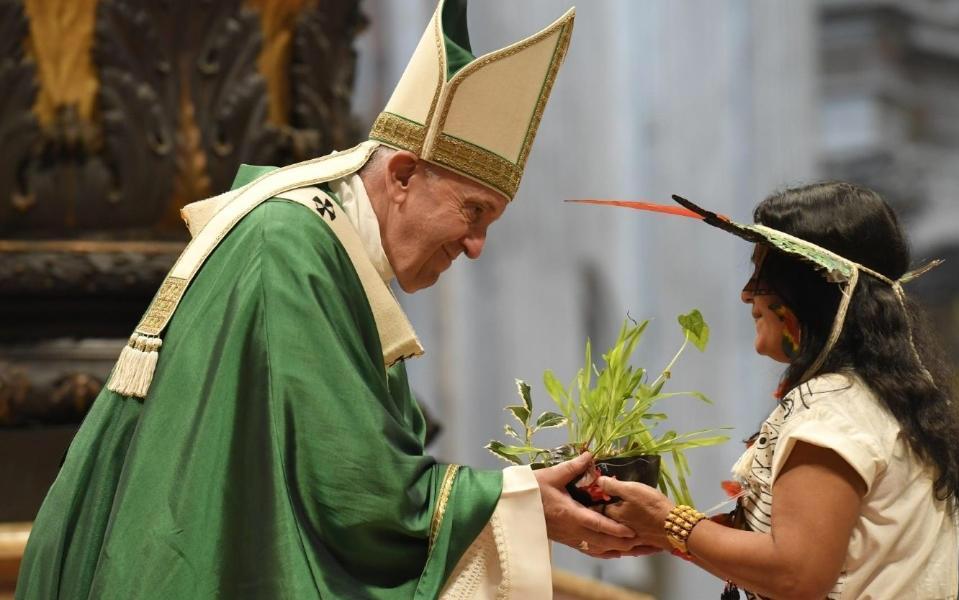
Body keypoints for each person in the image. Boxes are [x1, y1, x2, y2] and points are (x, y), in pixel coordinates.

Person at [16, 2, 649, 599]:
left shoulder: (328, 251)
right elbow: (358, 497)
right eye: (474, 212)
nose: (477, 246)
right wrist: (519, 503)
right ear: (402, 176)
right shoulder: (292, 247)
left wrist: (519, 499)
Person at [580, 183, 959, 599]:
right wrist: (662, 529)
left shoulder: (833, 412)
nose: (747, 293)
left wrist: (668, 523)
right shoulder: (871, 399)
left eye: (763, 274)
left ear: (809, 291)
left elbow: (796, 575)